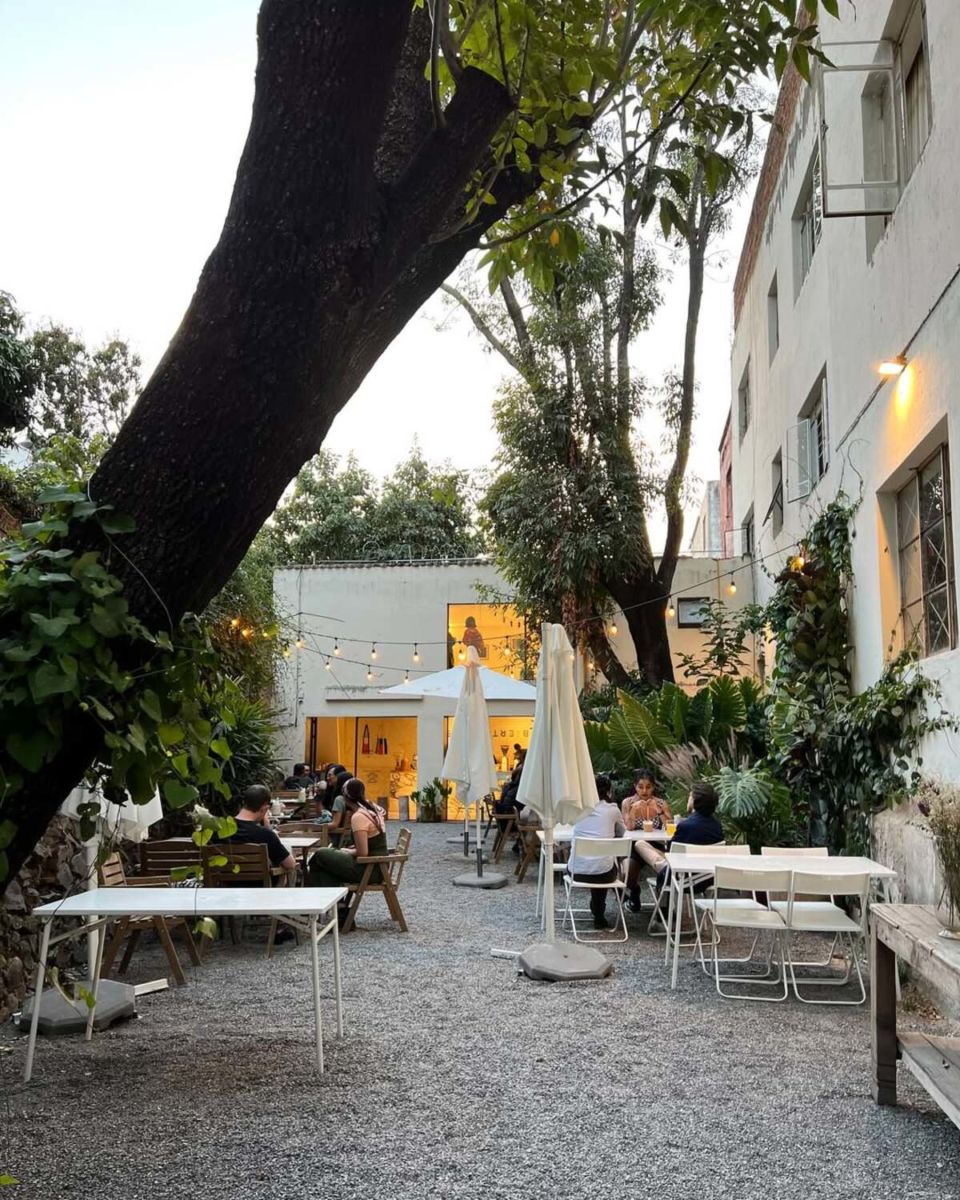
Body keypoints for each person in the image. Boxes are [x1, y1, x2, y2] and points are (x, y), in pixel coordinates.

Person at [626, 780, 723, 911]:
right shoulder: (717, 827)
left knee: (639, 845)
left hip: (679, 876)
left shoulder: (685, 826)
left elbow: (671, 854)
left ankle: (660, 908)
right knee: (644, 845)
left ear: (694, 801)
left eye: (690, 796)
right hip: (707, 878)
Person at [307, 779, 389, 928]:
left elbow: (363, 852)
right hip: (378, 865)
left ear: (344, 798)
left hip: (369, 868)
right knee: (324, 867)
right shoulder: (372, 808)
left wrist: (347, 851)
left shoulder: (359, 817)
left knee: (320, 855)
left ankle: (314, 907)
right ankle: (339, 909)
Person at [567, 775, 626, 930]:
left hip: (576, 872)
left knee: (597, 862)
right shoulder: (613, 810)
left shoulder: (579, 808)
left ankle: (598, 909)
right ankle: (599, 912)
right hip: (605, 875)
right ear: (609, 791)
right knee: (602, 864)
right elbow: (622, 832)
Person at [622, 768, 672, 905]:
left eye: (648, 787)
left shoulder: (660, 803)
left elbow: (670, 827)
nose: (644, 791)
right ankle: (635, 890)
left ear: (653, 787)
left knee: (666, 870)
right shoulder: (628, 803)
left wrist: (659, 811)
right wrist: (634, 810)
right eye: (640, 787)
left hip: (655, 845)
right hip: (634, 845)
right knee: (627, 874)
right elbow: (629, 827)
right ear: (635, 787)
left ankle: (664, 905)